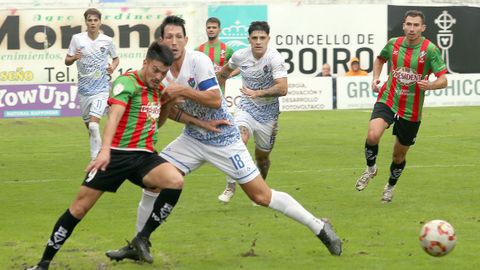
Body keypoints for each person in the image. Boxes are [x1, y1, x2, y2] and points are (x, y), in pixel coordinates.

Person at [105, 16, 342, 263]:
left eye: (178, 37)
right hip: (192, 139)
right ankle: (139, 243)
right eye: (169, 37)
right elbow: (171, 112)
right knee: (153, 184)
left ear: (186, 40)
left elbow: (215, 100)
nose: (174, 42)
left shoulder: (199, 61)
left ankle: (319, 227)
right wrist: (195, 121)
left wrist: (182, 91)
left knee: (260, 196)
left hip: (223, 138)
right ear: (161, 41)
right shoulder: (159, 72)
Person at [26, 42, 187, 270]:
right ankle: (43, 263)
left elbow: (157, 123)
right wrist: (104, 152)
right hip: (117, 156)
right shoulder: (127, 82)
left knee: (175, 181)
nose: (158, 76)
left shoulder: (157, 90)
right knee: (79, 208)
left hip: (144, 157)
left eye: (163, 73)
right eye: (155, 70)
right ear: (146, 63)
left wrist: (167, 103)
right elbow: (113, 117)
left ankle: (141, 239)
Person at [354, 10, 447, 203]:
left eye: (416, 25)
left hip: (411, 109)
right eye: (409, 24)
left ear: (423, 28)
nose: (412, 29)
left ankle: (390, 186)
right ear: (404, 25)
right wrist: (375, 77)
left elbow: (443, 80)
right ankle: (370, 168)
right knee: (372, 135)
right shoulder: (393, 44)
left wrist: (430, 85)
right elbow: (380, 59)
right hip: (389, 98)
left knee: (398, 155)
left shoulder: (430, 50)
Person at [215, 21, 287, 204]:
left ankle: (261, 190)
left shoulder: (274, 58)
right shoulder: (240, 56)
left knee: (262, 158)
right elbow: (223, 74)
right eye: (254, 38)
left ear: (268, 39)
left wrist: (259, 93)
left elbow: (283, 88)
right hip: (246, 107)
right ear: (249, 39)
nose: (258, 41)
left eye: (262, 38)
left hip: (269, 114)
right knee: (239, 139)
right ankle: (230, 185)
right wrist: (216, 94)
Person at [65, 8, 119, 160]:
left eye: (95, 20)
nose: (93, 23)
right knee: (90, 129)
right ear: (86, 22)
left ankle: (96, 158)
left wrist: (112, 67)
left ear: (100, 22)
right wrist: (74, 58)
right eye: (90, 20)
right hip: (84, 91)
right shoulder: (77, 39)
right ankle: (99, 152)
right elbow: (66, 61)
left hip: (101, 89)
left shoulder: (107, 41)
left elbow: (115, 59)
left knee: (94, 126)